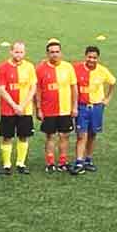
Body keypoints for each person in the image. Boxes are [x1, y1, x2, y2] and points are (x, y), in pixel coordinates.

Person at [35, 39, 78, 173]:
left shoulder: (68, 67)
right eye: (52, 52)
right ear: (47, 54)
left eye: (57, 52)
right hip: (49, 110)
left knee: (64, 136)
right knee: (50, 136)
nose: (55, 54)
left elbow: (74, 88)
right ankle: (50, 162)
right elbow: (37, 90)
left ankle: (63, 162)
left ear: (61, 53)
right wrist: (38, 109)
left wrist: (74, 106)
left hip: (65, 109)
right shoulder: (40, 69)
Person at [73, 46, 117, 173]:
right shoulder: (76, 68)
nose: (91, 60)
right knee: (81, 135)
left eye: (94, 58)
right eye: (89, 57)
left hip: (97, 107)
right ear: (85, 56)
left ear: (98, 58)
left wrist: (107, 99)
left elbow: (113, 82)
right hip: (81, 107)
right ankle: (79, 161)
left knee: (92, 135)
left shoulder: (102, 71)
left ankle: (88, 159)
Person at [0, 42, 37, 175]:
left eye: (21, 52)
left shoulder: (29, 67)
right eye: (16, 52)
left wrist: (23, 105)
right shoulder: (3, 67)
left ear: (24, 53)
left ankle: (21, 163)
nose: (18, 54)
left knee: (23, 136)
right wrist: (14, 106)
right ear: (11, 52)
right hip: (8, 110)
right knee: (7, 137)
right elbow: (1, 89)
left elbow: (33, 88)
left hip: (25, 109)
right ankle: (7, 164)